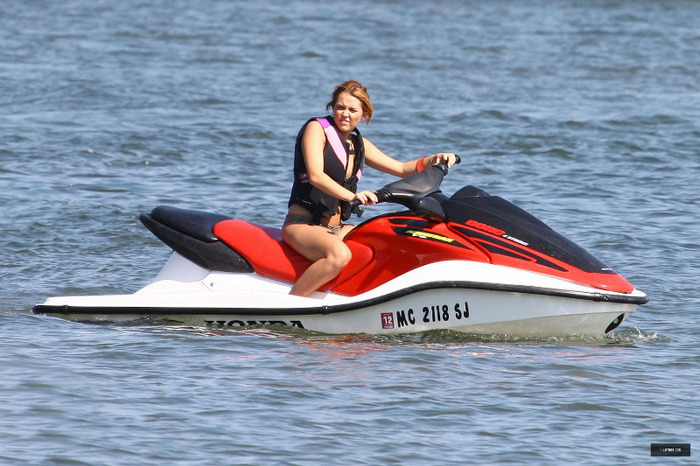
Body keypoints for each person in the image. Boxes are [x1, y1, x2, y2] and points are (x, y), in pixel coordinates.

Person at [282, 80, 457, 297]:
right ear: (332, 108)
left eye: (352, 110)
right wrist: (353, 196)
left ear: (364, 115)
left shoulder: (359, 145)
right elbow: (316, 176)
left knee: (389, 239)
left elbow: (402, 169)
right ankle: (292, 305)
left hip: (337, 228)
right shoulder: (316, 129)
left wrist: (435, 159)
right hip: (303, 225)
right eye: (340, 107)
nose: (345, 114)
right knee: (339, 257)